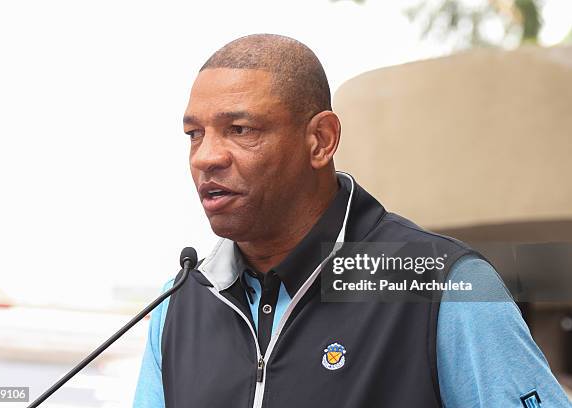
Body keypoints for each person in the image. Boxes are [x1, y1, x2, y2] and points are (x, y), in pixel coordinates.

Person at [133, 34, 571, 407]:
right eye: (195, 134)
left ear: (321, 140)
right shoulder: (177, 305)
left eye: (241, 129)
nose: (207, 156)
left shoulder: (439, 285)